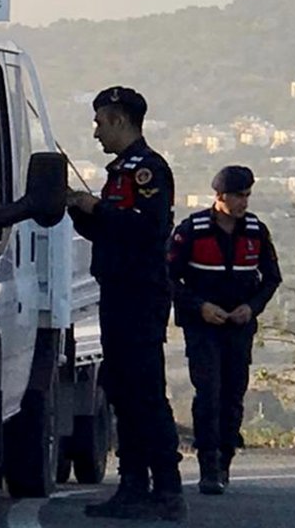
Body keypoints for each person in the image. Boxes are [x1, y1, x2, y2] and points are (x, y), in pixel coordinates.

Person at [66, 86, 185, 522]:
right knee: (122, 389)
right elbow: (108, 232)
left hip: (140, 294)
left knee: (145, 391)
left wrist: (95, 206)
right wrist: (79, 209)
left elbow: (145, 230)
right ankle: (134, 483)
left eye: (100, 122)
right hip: (117, 291)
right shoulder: (119, 173)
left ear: (119, 120)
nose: (96, 132)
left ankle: (166, 488)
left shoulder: (146, 171)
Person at [168, 166, 281, 495]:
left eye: (247, 195)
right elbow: (168, 277)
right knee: (208, 393)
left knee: (233, 394)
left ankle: (226, 457)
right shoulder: (192, 231)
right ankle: (208, 464)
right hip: (203, 325)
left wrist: (252, 306)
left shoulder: (256, 232)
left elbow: (271, 277)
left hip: (238, 327)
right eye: (238, 196)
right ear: (220, 197)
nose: (244, 202)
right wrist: (199, 306)